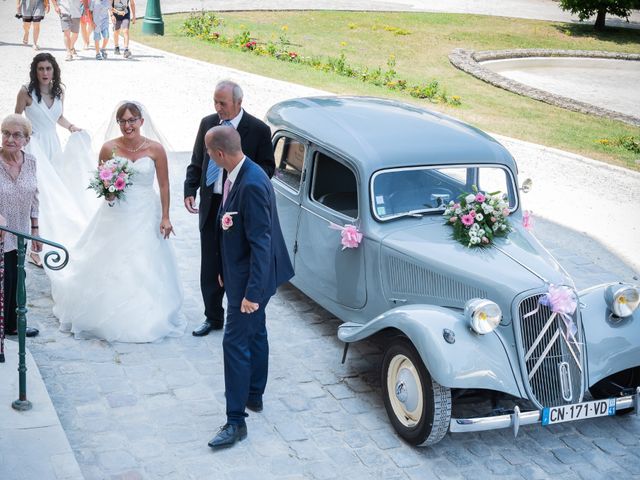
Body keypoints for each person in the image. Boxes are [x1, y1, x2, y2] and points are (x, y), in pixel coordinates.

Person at [50, 101, 185, 342]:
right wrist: (109, 192)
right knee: (111, 257)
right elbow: (103, 180)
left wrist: (165, 216)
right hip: (116, 212)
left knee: (145, 259)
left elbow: (163, 184)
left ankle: (146, 310)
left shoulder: (155, 149)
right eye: (122, 121)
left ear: (141, 122)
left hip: (145, 211)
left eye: (132, 120)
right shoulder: (108, 149)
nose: (127, 125)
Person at [205, 126, 293, 449]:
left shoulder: (252, 184)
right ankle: (254, 394)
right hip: (243, 274)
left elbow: (261, 242)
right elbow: (233, 229)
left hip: (252, 282)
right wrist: (224, 271)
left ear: (219, 155)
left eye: (209, 155)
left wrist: (251, 295)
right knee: (255, 333)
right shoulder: (240, 173)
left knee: (234, 342)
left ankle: (236, 421)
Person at [185, 80, 275, 337]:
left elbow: (268, 168)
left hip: (238, 208)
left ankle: (240, 310)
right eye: (215, 101)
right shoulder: (207, 123)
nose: (217, 107)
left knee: (234, 262)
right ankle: (212, 317)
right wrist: (190, 189)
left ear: (239, 102)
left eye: (222, 103)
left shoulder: (258, 130)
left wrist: (240, 177)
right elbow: (197, 161)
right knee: (209, 265)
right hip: (212, 205)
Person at [15, 53, 90, 267]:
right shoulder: (26, 92)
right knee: (38, 195)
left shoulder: (59, 92)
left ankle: (51, 237)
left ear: (54, 70)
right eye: (41, 69)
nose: (45, 73)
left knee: (54, 193)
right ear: (35, 71)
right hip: (34, 146)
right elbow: (17, 119)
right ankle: (33, 248)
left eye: (48, 68)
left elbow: (57, 117)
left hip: (53, 146)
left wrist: (71, 126)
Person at [0, 114, 41, 338]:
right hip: (1, 233)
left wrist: (35, 230)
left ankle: (13, 325)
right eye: (6, 133)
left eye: (16, 135)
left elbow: (35, 196)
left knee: (18, 278)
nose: (9, 139)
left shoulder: (31, 161)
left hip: (21, 232)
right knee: (3, 280)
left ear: (26, 139)